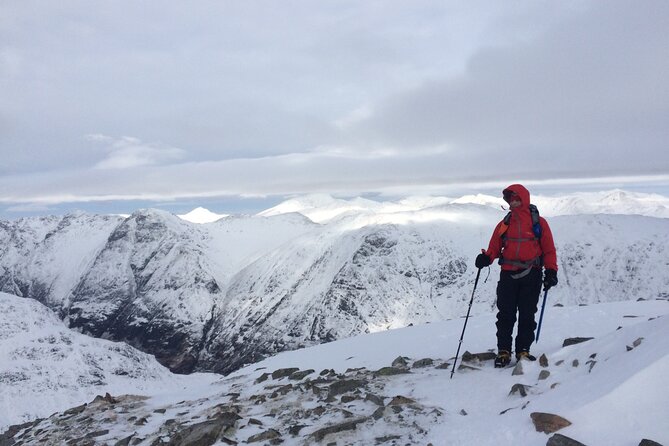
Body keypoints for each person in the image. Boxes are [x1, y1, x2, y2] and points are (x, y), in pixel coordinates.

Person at [475, 184, 558, 367]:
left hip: (532, 274)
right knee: (506, 314)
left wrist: (551, 270)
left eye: (516, 198)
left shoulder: (539, 223)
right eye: (510, 198)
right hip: (508, 275)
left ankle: (523, 350)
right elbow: (494, 248)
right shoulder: (505, 223)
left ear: (524, 198)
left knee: (527, 314)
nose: (513, 201)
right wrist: (486, 258)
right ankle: (504, 351)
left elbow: (549, 249)